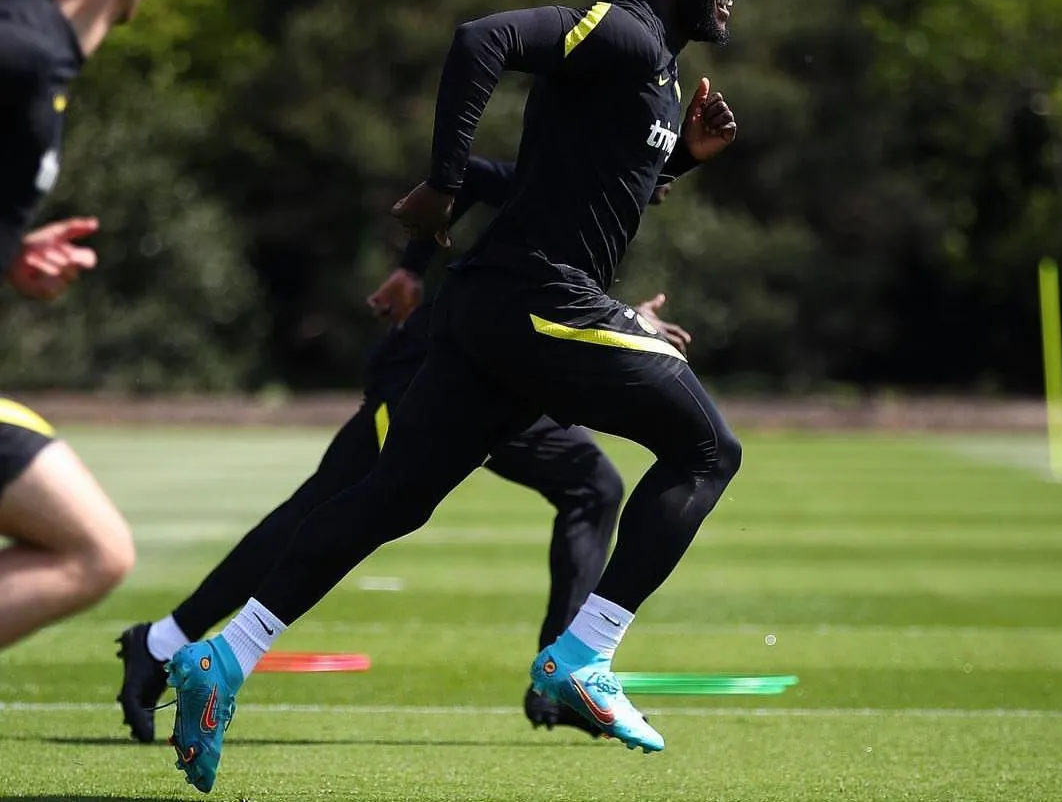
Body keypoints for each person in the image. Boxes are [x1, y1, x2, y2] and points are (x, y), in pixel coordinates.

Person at [167, 0, 741, 791]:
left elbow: (581, 183)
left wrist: (684, 161)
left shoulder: (659, 74)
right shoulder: (626, 33)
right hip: (535, 299)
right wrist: (444, 180)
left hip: (491, 309)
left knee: (394, 496)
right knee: (708, 449)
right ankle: (583, 654)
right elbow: (485, 37)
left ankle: (227, 656)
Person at [115, 155, 691, 743]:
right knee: (341, 509)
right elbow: (474, 179)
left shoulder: (603, 199)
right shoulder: (573, 177)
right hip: (440, 370)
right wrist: (412, 267)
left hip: (498, 372)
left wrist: (624, 323)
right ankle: (165, 644)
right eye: (664, 162)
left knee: (590, 487)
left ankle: (563, 675)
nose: (664, 186)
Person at [0, 0, 161, 650]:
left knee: (93, 547)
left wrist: (12, 251)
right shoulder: (20, 55)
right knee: (92, 549)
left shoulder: (38, 56)